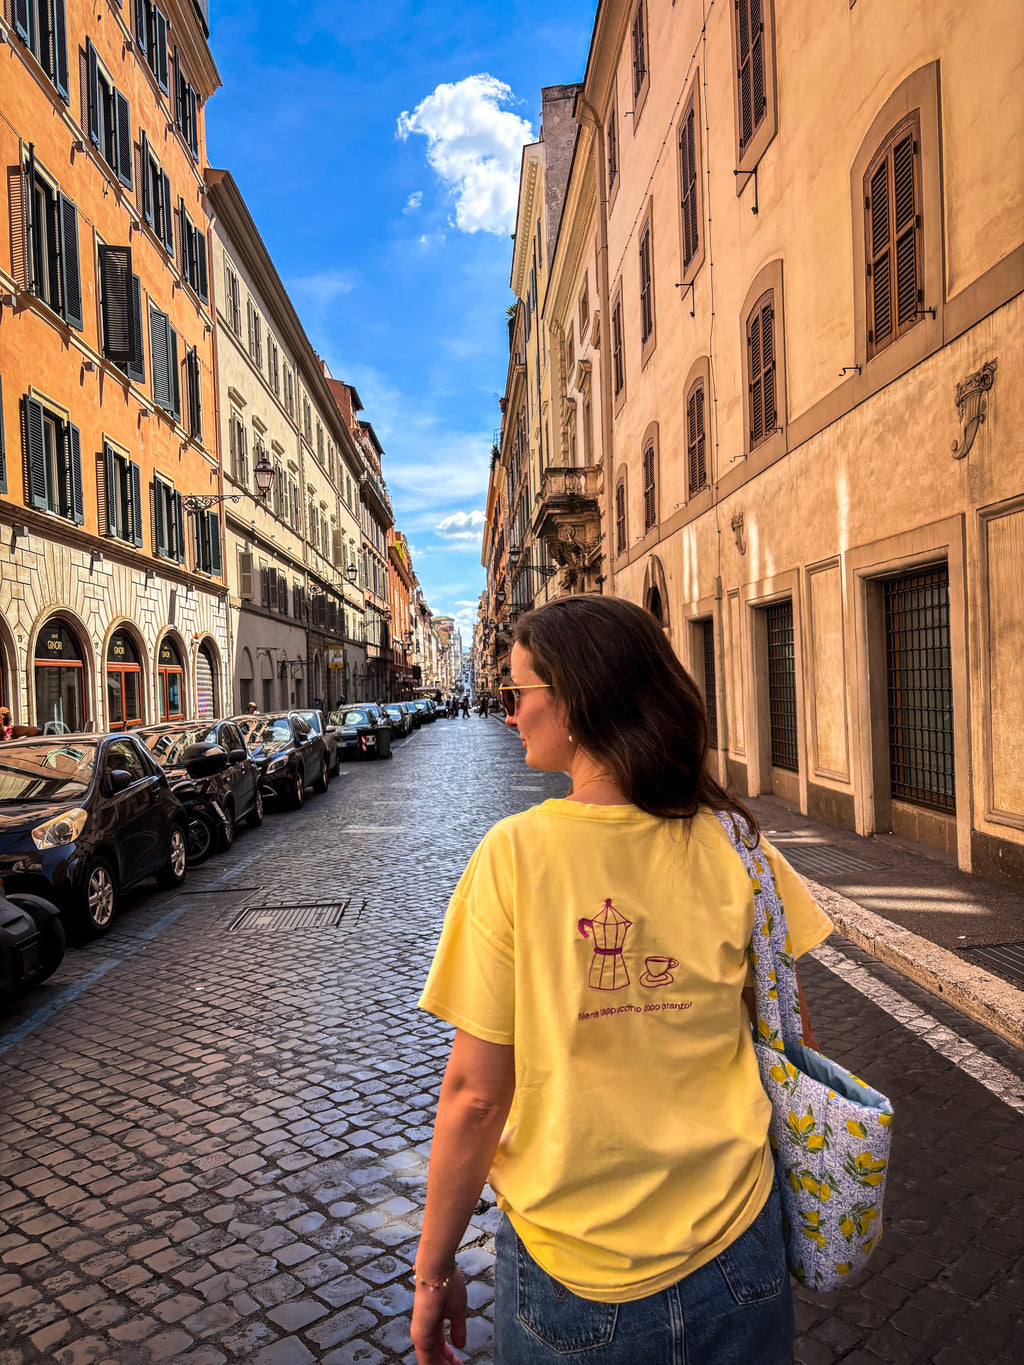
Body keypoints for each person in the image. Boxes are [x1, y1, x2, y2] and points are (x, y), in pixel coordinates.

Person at [410, 595, 831, 1365]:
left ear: (573, 702)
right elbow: (788, 1020)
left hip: (574, 1268)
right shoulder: (736, 841)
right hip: (739, 1248)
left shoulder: (514, 856)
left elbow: (475, 1095)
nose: (509, 714)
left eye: (517, 693)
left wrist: (434, 1271)